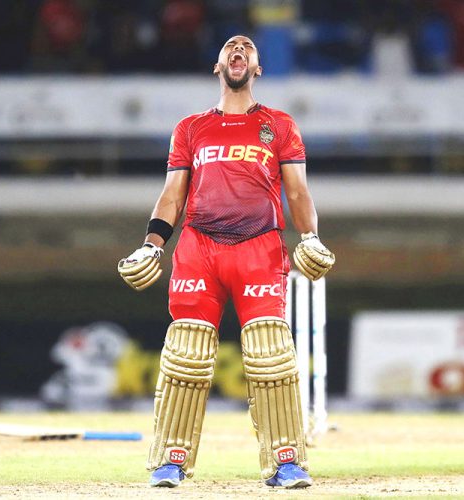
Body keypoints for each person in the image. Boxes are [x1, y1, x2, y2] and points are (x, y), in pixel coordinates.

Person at [117, 35, 335, 489]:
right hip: (198, 248)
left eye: (247, 48)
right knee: (186, 358)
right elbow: (173, 195)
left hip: (260, 247)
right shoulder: (191, 128)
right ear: (219, 66)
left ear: (256, 68)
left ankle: (285, 462)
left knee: (271, 357)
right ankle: (171, 461)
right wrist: (153, 244)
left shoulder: (279, 125)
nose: (238, 50)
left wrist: (310, 236)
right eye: (231, 47)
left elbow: (296, 191)